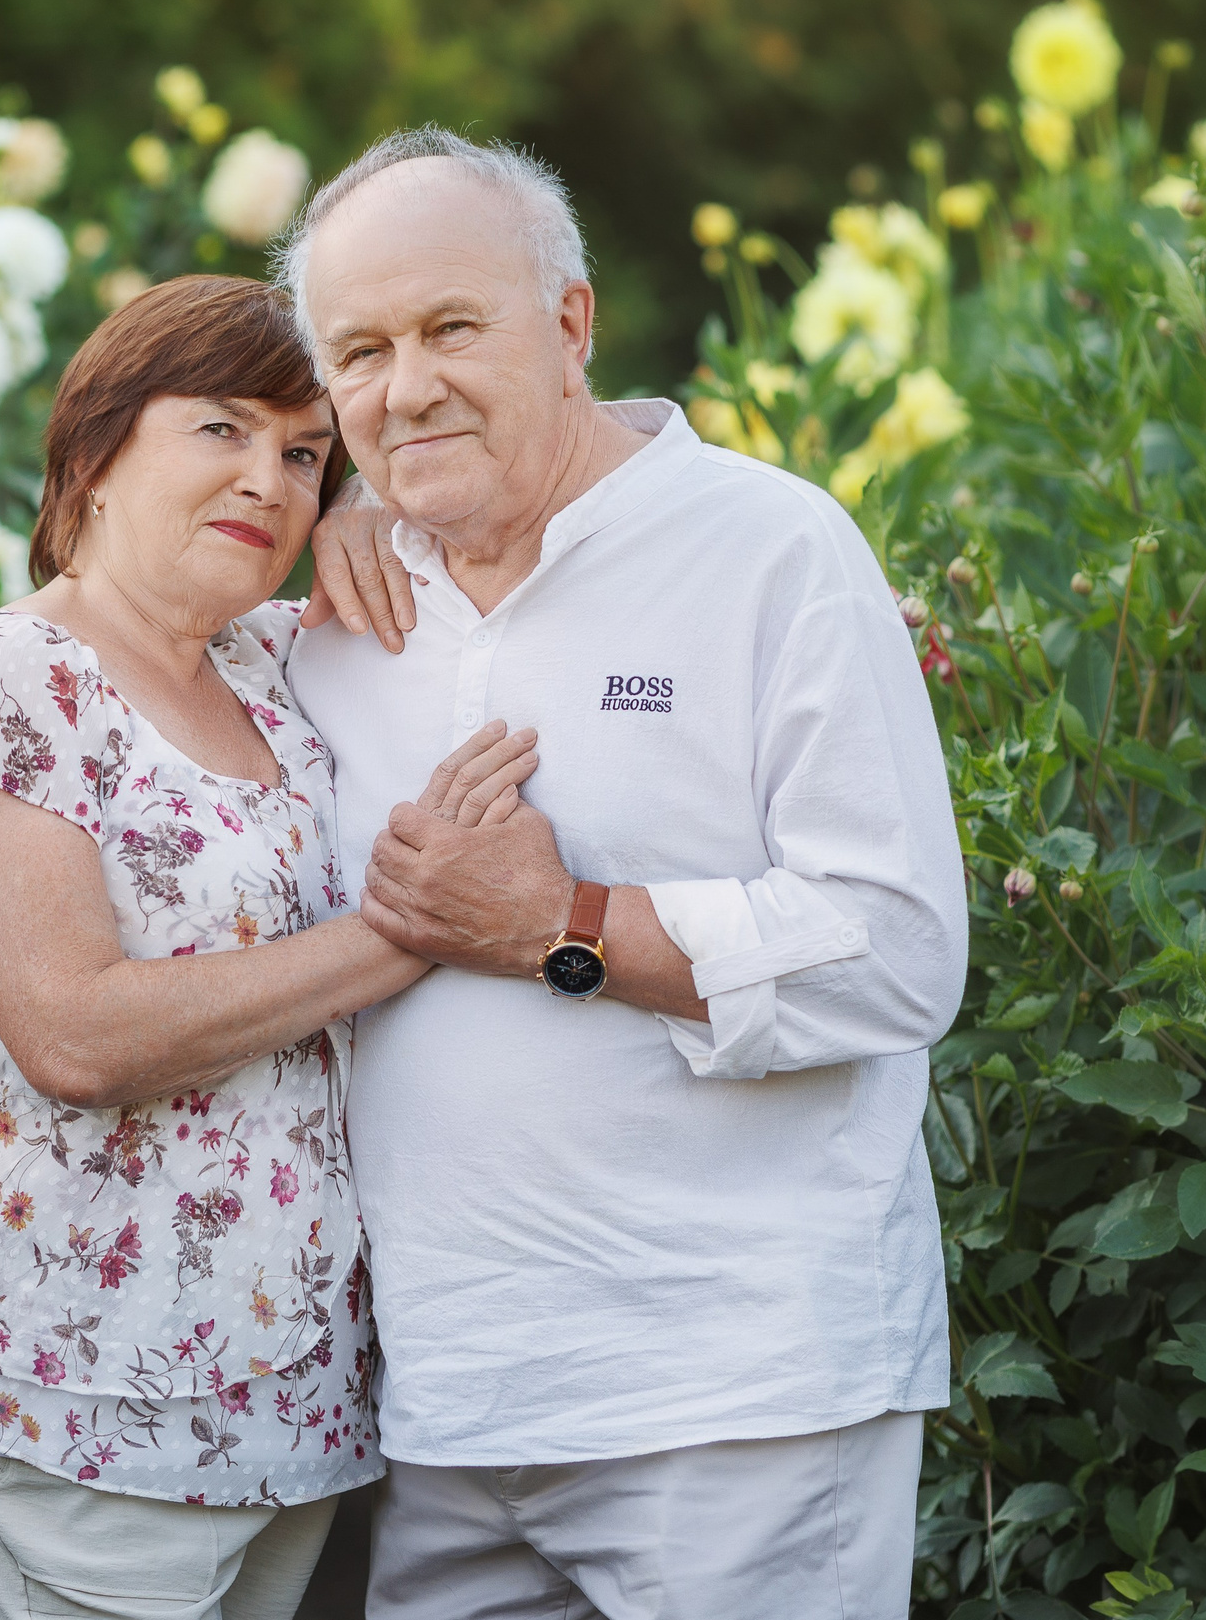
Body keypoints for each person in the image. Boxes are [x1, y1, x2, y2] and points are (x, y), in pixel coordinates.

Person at [273, 128, 970, 1618]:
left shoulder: (771, 551)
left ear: (571, 321)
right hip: (448, 1407)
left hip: (741, 1401)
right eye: (363, 351)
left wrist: (563, 924)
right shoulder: (331, 618)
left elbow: (901, 946)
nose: (408, 387)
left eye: (455, 327)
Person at [0, 273, 540, 1620]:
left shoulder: (274, 667)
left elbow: (520, 471)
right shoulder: (4, 678)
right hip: (77, 1389)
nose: (271, 479)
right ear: (96, 451)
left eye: (301, 452)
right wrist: (413, 927)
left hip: (288, 1396)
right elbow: (76, 1032)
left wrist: (370, 502)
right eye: (222, 429)